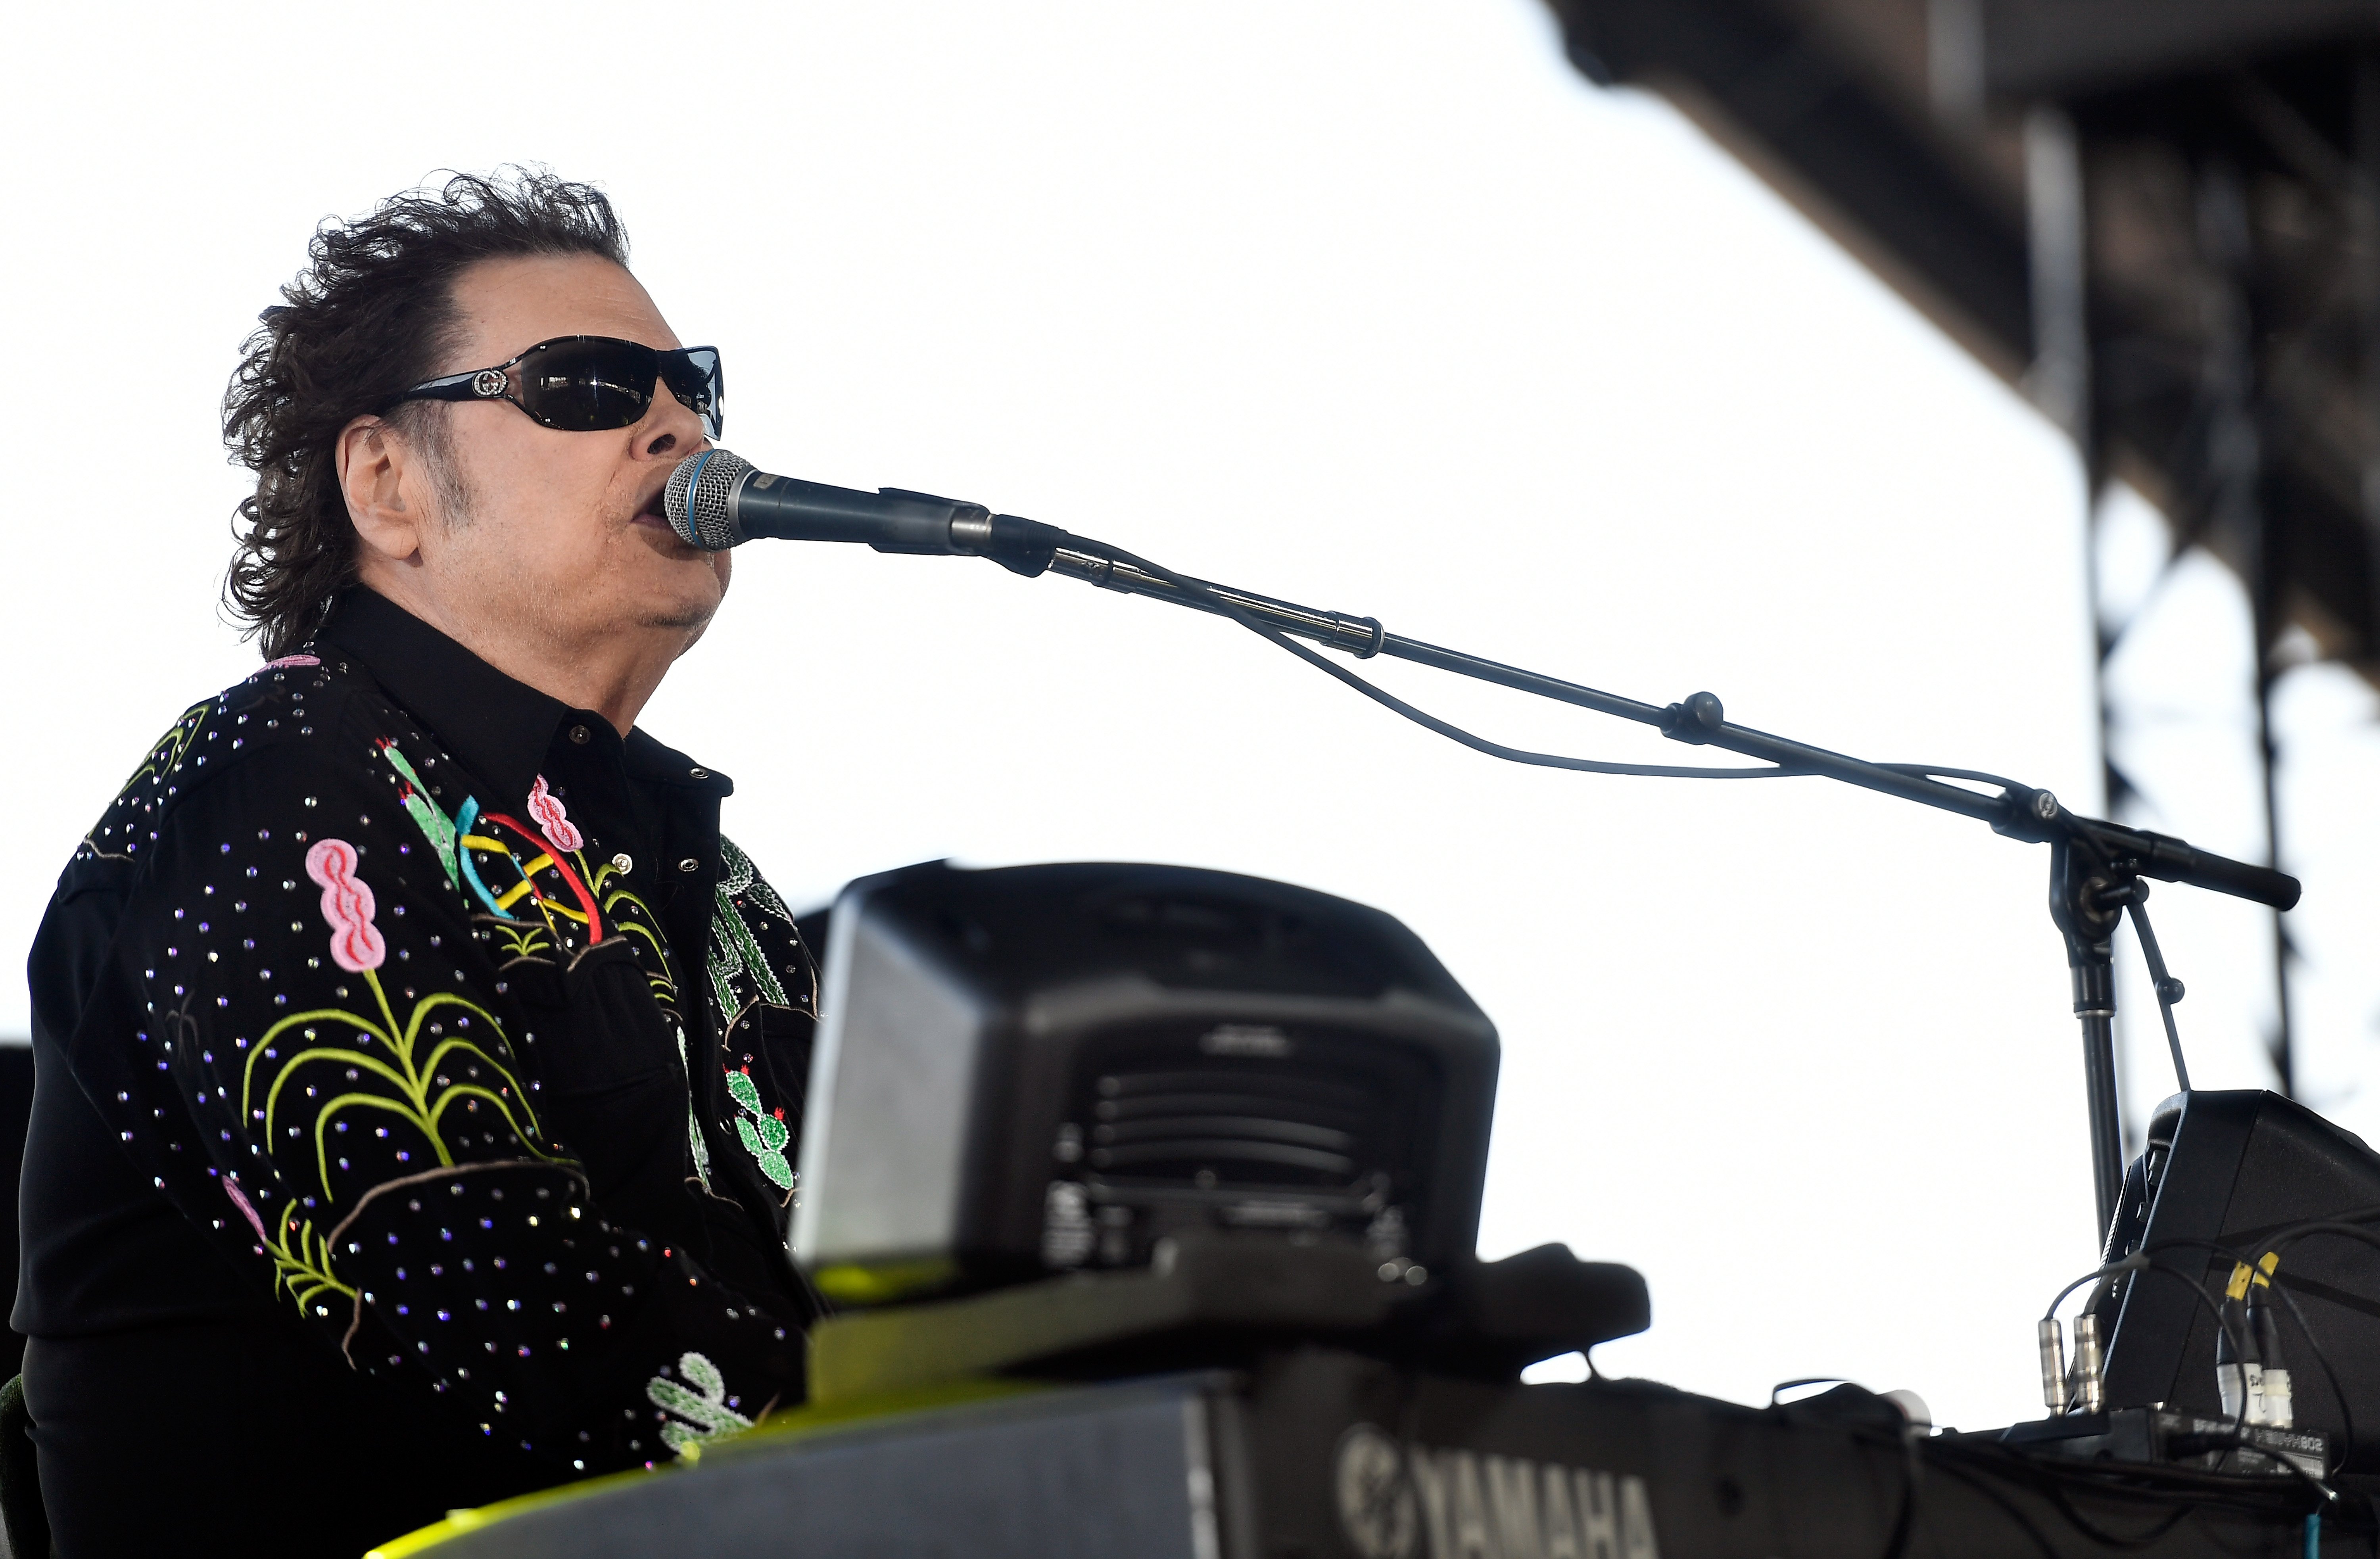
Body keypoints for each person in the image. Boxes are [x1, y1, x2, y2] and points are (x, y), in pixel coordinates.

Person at [17, 169, 821, 1557]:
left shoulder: (721, 881)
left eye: (689, 387)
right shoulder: (275, 782)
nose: (676, 425)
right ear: (388, 481)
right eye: (584, 386)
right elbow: (498, 1311)